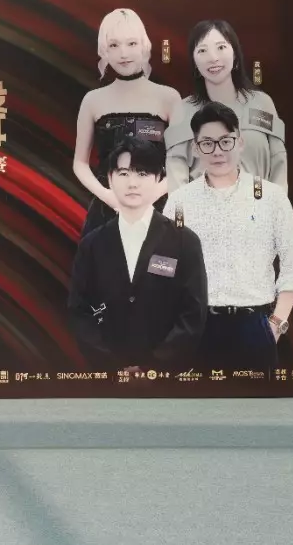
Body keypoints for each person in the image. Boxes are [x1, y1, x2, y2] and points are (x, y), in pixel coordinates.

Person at [161, 102, 293, 373]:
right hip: (195, 328)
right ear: (196, 148)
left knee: (254, 402)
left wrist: (275, 326)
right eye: (207, 143)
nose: (217, 151)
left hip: (255, 325)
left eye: (225, 141)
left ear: (240, 143)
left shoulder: (272, 197)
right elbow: (165, 266)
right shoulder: (180, 201)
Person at [68, 136, 207, 372]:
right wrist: (111, 368)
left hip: (168, 379)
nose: (132, 183)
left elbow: (194, 314)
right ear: (110, 179)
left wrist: (155, 367)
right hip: (107, 379)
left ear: (158, 179)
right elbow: (79, 311)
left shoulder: (185, 241)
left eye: (142, 173)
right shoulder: (92, 244)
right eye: (123, 173)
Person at [73, 8, 181, 239]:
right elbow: (79, 164)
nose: (123, 53)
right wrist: (109, 197)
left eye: (131, 43)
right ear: (104, 50)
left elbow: (183, 160)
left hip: (159, 208)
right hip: (107, 210)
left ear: (144, 45)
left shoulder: (169, 97)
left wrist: (151, 196)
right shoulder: (93, 100)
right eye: (114, 45)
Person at [165, 20, 287, 192]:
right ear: (194, 61)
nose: (213, 58)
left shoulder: (262, 103)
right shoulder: (182, 110)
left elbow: (279, 161)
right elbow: (175, 171)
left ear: (235, 54)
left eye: (221, 47)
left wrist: (276, 204)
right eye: (202, 50)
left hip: (259, 204)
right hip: (204, 207)